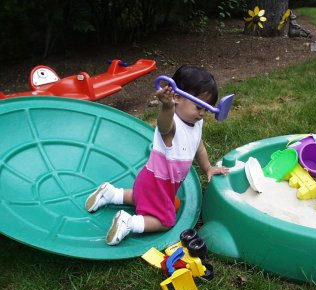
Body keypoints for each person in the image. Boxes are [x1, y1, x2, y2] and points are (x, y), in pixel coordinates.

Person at [85, 65, 229, 245]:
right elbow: (163, 126)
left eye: (206, 109)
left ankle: (111, 194)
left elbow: (198, 147)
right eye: (198, 107)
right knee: (166, 221)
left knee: (140, 198)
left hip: (151, 180)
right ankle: (129, 223)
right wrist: (167, 107)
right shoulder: (173, 125)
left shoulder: (196, 123)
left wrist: (208, 167)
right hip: (159, 184)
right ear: (177, 97)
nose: (202, 113)